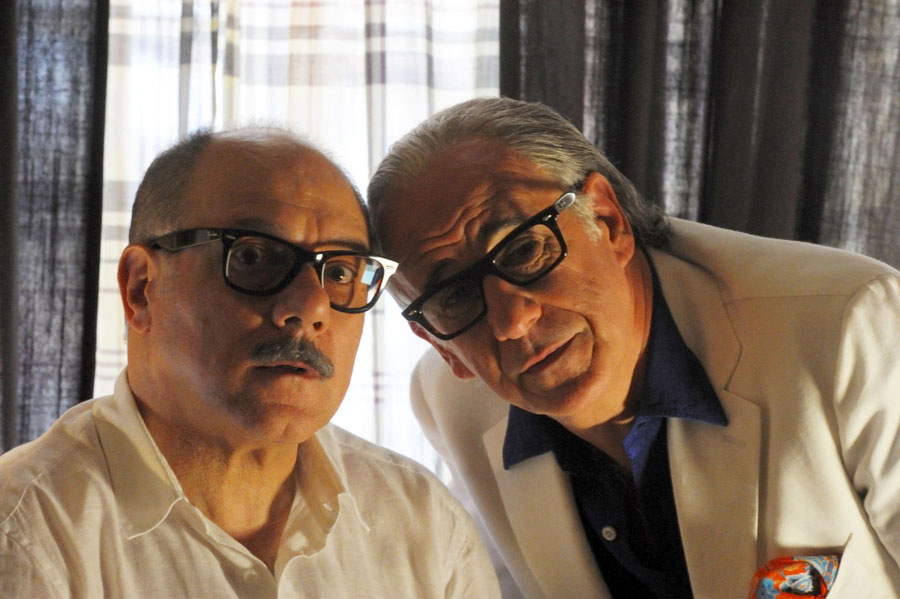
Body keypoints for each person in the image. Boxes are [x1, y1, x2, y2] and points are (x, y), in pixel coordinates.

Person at [366, 97, 900, 598]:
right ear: (440, 346)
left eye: (524, 250)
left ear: (607, 219)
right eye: (455, 297)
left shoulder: (848, 325)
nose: (513, 321)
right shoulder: (450, 403)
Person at [0, 127, 501, 598]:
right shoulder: (23, 532)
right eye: (254, 257)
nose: (311, 307)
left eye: (341, 272)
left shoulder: (424, 522)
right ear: (141, 288)